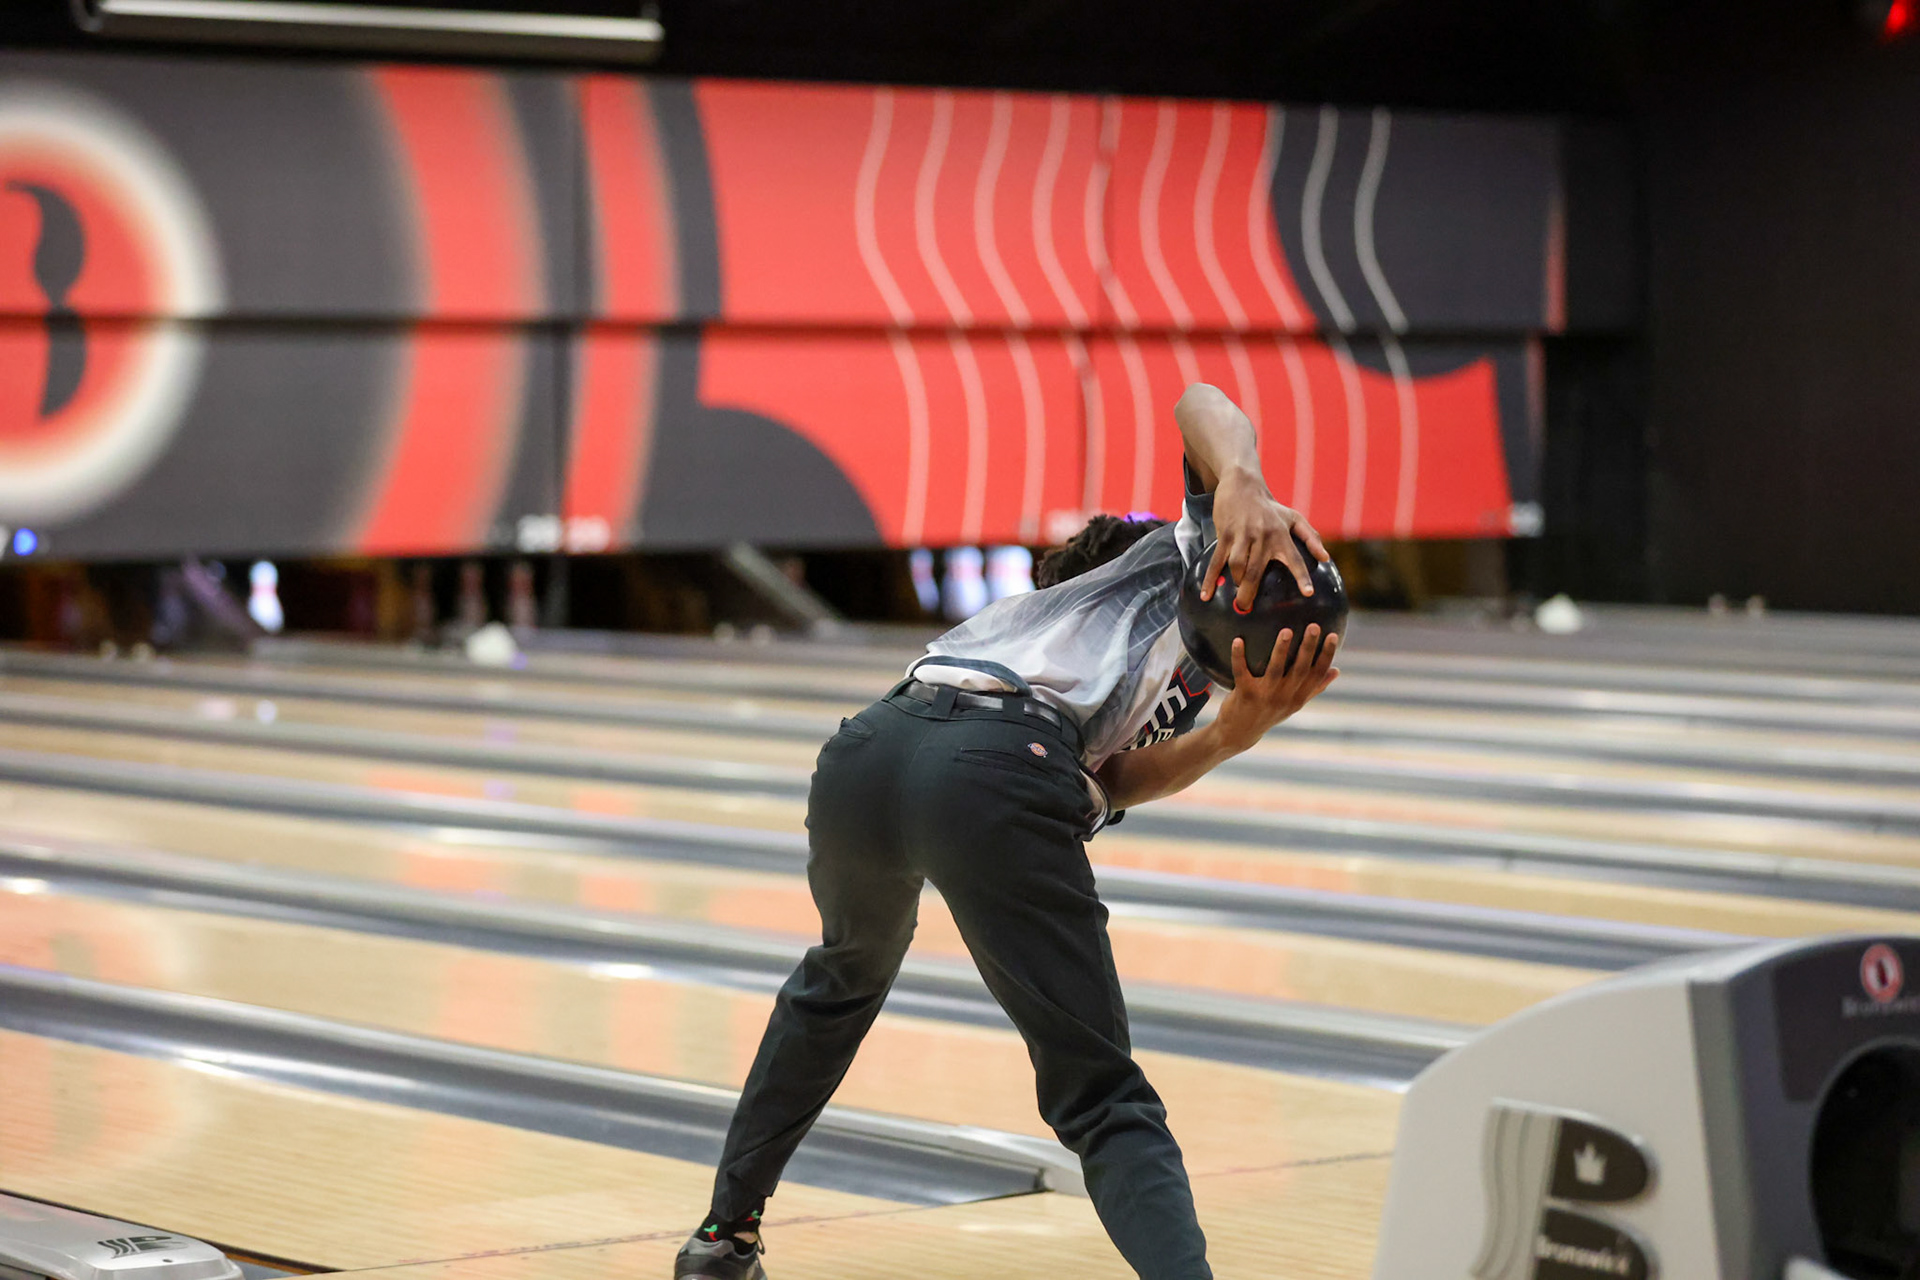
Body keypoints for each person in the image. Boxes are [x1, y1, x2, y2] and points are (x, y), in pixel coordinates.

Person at [674, 383, 1342, 1280]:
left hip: (870, 752)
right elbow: (1201, 402)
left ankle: (723, 1241)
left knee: (839, 981)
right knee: (1102, 1094)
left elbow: (1101, 783)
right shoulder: (1178, 562)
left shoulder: (1067, 651)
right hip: (997, 766)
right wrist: (1241, 481)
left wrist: (1228, 735)